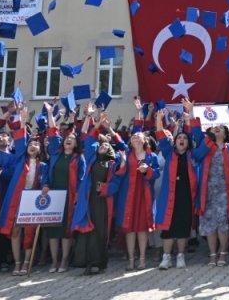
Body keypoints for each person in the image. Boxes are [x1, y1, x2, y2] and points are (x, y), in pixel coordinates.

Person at [0, 105, 45, 275]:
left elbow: (47, 182)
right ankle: (17, 262)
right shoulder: (19, 159)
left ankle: (26, 263)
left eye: (37, 144)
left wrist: (46, 186)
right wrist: (21, 117)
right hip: (17, 198)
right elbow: (21, 139)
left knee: (29, 233)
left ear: (40, 149)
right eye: (31, 143)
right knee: (15, 231)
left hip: (32, 201)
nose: (33, 146)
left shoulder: (42, 166)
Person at [71, 110, 121, 275]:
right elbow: (90, 139)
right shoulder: (91, 158)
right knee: (86, 229)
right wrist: (98, 124)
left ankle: (98, 262)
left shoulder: (112, 164)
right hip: (88, 199)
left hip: (103, 202)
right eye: (101, 144)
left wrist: (105, 188)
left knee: (99, 231)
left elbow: (116, 183)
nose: (103, 146)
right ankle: (84, 262)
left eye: (106, 145)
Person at [190, 110, 229, 267]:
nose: (217, 128)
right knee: (209, 223)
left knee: (222, 223)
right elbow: (196, 139)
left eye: (220, 127)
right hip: (207, 192)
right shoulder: (206, 145)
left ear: (225, 132)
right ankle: (212, 255)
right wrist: (191, 112)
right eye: (214, 127)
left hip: (225, 192)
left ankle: (223, 255)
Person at [113, 106, 159, 271]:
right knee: (129, 227)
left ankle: (142, 259)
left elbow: (156, 175)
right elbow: (118, 173)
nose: (134, 137)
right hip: (129, 195)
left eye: (137, 135)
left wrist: (148, 170)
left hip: (144, 194)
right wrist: (123, 164)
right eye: (132, 136)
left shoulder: (151, 156)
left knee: (142, 227)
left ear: (144, 140)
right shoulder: (126, 153)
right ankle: (131, 260)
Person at [42, 106, 84, 273]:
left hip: (70, 196)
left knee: (66, 229)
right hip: (53, 195)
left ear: (76, 143)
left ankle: (65, 260)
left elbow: (81, 179)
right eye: (67, 137)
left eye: (72, 138)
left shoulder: (78, 158)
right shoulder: (55, 154)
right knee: (53, 229)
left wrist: (78, 197)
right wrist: (51, 114)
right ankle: (54, 261)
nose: (68, 139)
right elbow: (52, 132)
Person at [155, 107, 197, 270]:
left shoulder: (191, 156)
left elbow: (196, 134)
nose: (181, 140)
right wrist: (159, 119)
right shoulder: (169, 153)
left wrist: (190, 116)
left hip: (185, 195)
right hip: (169, 195)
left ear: (187, 142)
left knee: (182, 226)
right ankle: (166, 258)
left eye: (184, 138)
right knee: (168, 227)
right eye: (178, 137)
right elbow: (160, 136)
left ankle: (180, 256)